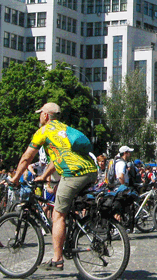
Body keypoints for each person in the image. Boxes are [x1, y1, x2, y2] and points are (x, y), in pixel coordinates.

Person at [11, 102, 97, 271]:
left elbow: (27, 158)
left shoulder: (43, 131)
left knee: (57, 215)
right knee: (64, 203)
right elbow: (56, 158)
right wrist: (44, 176)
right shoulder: (64, 130)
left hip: (74, 174)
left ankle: (57, 259)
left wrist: (15, 178)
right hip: (90, 171)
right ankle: (72, 233)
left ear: (45, 115)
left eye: (40, 113)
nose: (39, 116)